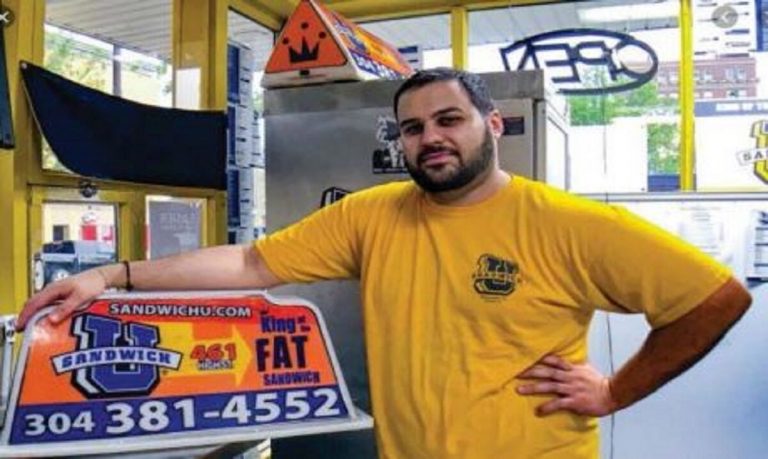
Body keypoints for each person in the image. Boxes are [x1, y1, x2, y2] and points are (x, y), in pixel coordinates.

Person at [18, 68, 751, 459]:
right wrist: (112, 276)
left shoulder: (566, 224)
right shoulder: (373, 214)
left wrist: (616, 390)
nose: (431, 138)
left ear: (492, 125)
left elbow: (715, 297)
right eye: (412, 128)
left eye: (449, 119)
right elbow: (251, 262)